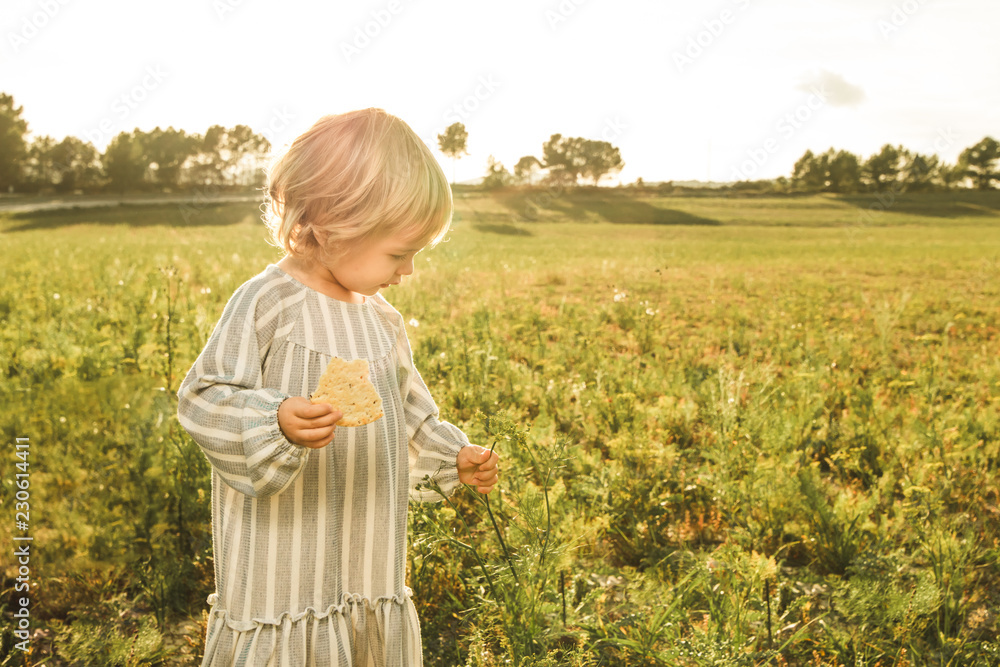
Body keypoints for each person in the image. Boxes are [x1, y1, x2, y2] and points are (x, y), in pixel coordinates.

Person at [176, 108, 500, 666]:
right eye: (399, 253)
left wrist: (455, 457)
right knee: (290, 617)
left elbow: (411, 414)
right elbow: (204, 398)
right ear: (330, 223)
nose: (409, 271)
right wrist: (272, 420)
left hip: (367, 547)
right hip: (282, 549)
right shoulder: (267, 303)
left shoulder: (383, 322)